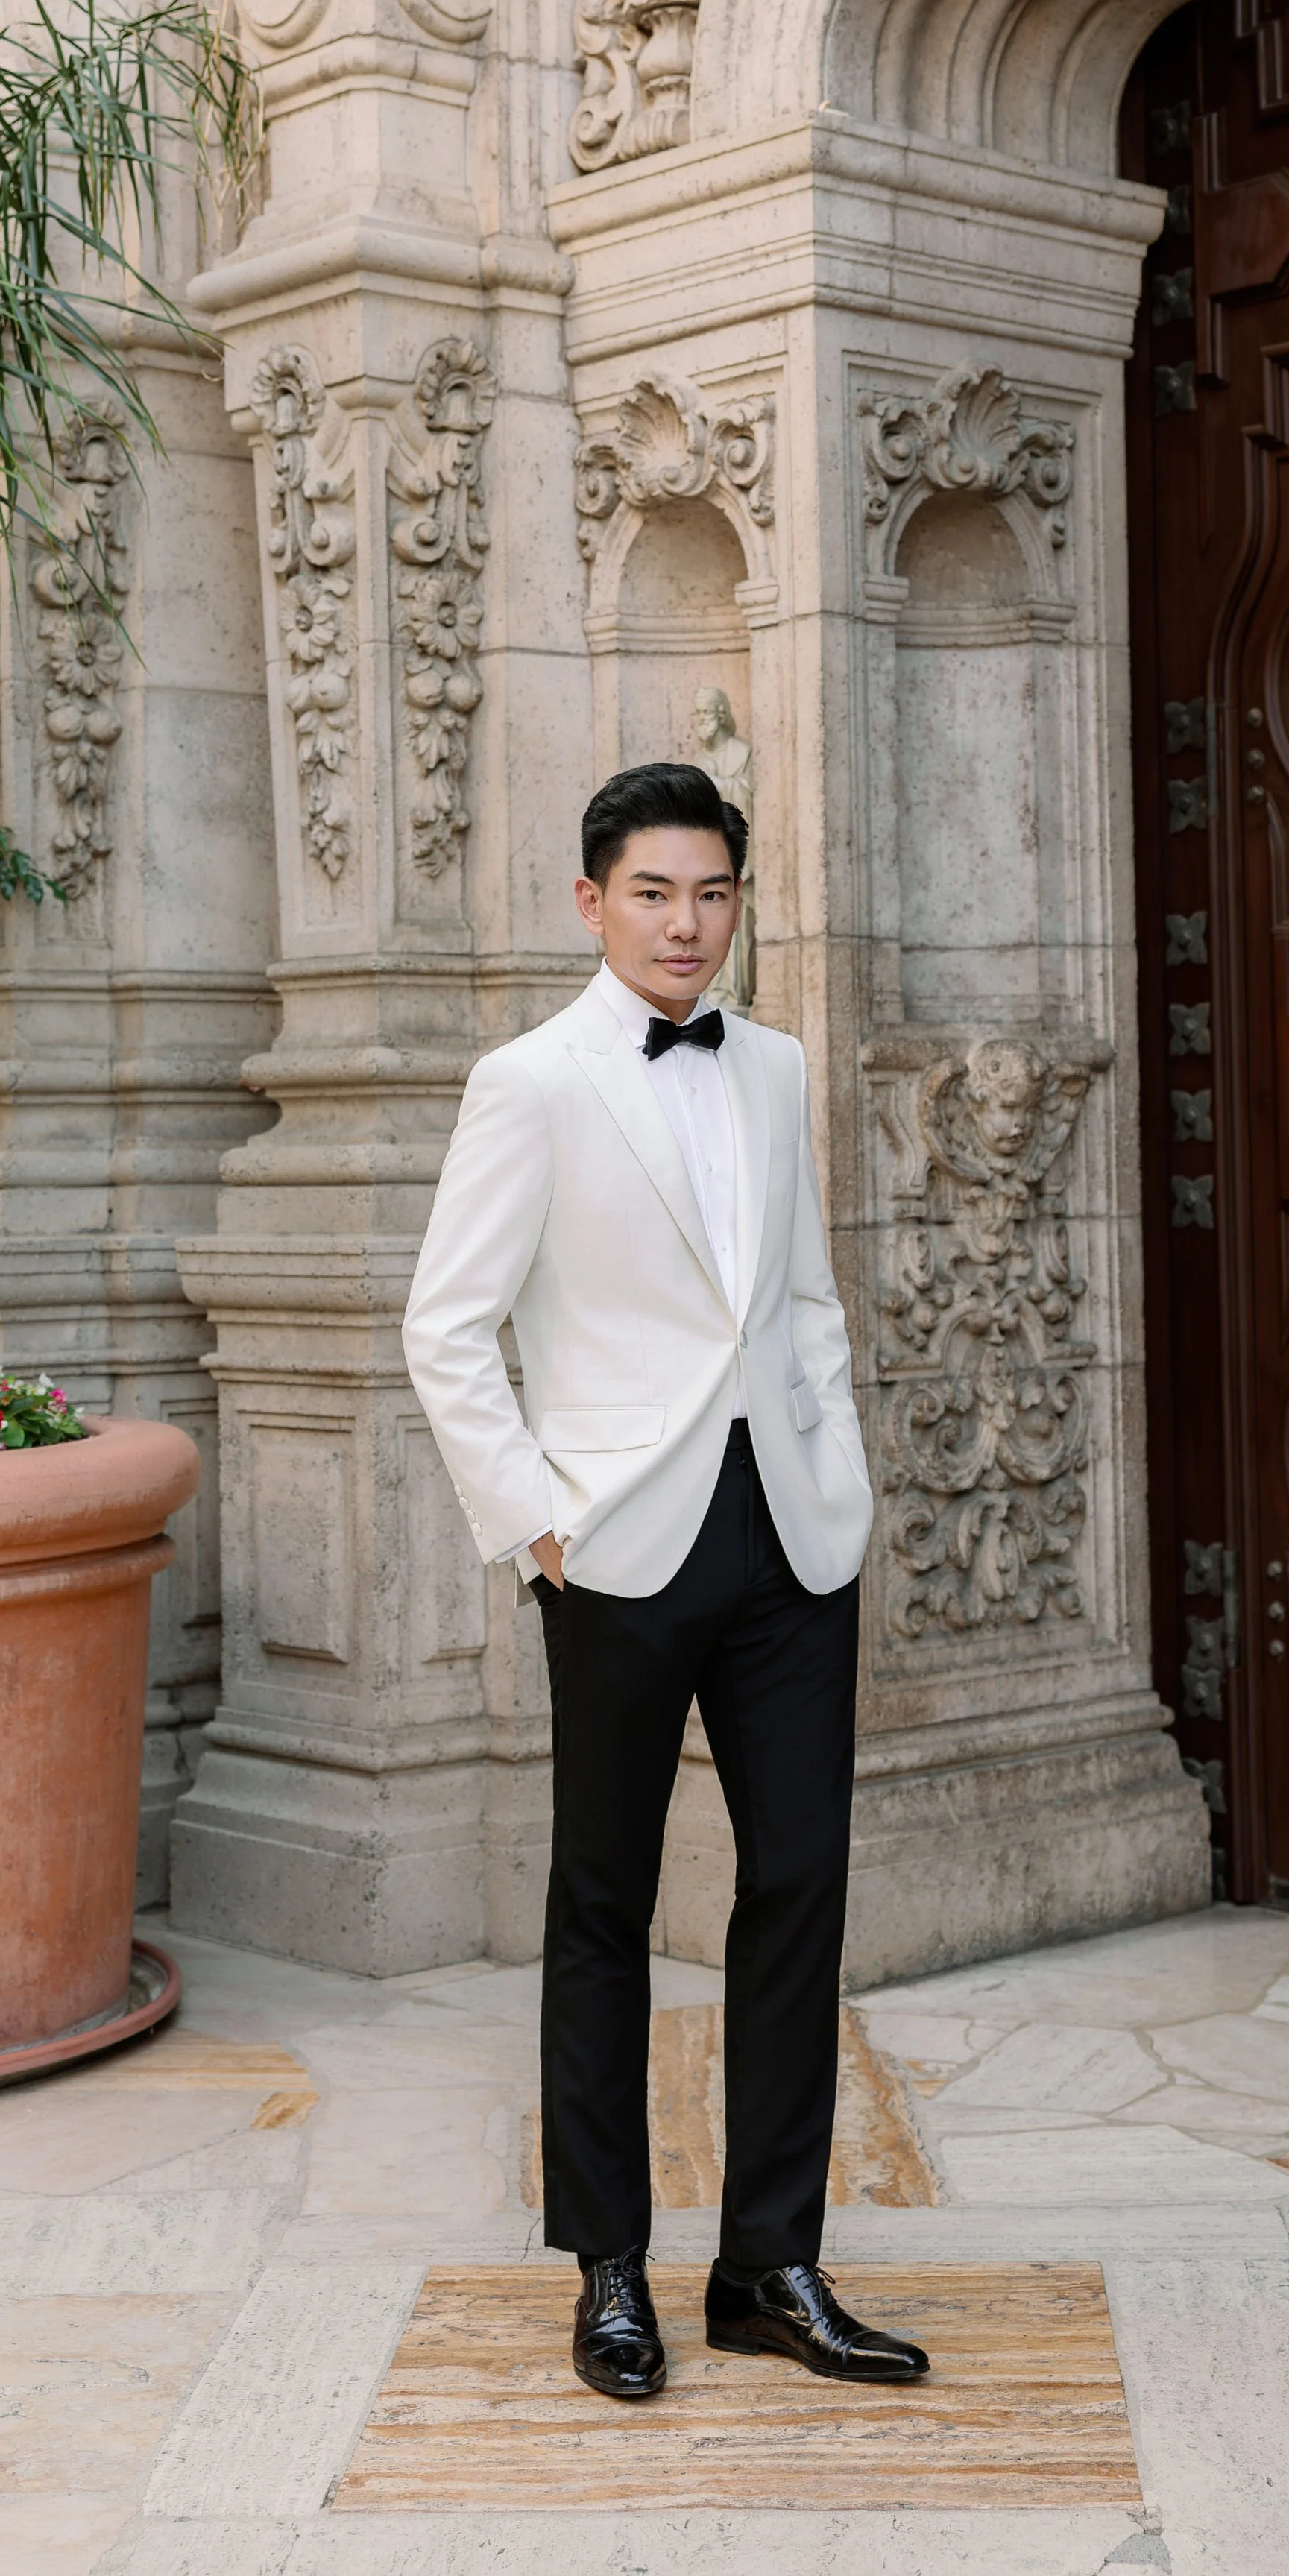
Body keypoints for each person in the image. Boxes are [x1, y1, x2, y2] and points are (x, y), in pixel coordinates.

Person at [402, 760, 930, 2400]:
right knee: (602, 1906)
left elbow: (803, 1303)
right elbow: (444, 1327)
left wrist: (834, 1470)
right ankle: (609, 2268)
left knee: (797, 1890)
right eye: (652, 893)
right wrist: (535, 1523)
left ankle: (768, 2262)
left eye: (709, 893)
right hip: (617, 1547)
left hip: (788, 1540)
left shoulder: (769, 1067)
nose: (684, 923)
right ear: (590, 901)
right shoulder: (531, 1082)